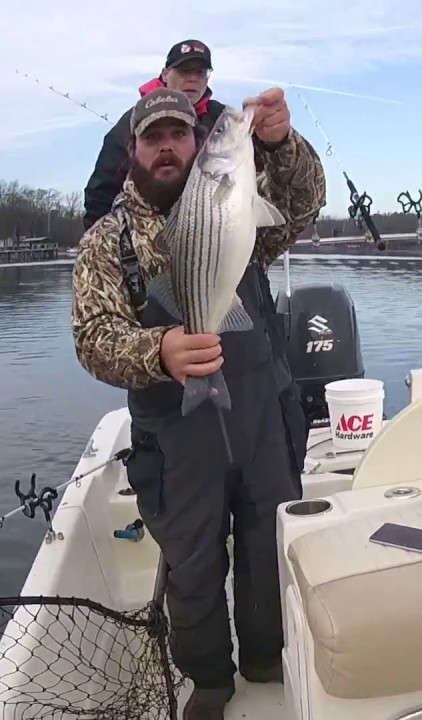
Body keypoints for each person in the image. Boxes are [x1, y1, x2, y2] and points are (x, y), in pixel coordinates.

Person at [71, 87, 324, 718]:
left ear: (195, 144)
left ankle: (267, 655)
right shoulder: (109, 240)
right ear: (132, 151)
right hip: (178, 434)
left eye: (179, 136)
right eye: (152, 138)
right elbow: (92, 336)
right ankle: (210, 678)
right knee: (192, 561)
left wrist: (279, 144)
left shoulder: (236, 208)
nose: (167, 147)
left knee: (269, 541)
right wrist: (159, 351)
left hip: (262, 415)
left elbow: (303, 205)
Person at [81, 39, 228, 228]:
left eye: (199, 72)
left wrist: (273, 142)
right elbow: (101, 194)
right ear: (165, 73)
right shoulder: (130, 124)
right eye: (184, 70)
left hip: (214, 229)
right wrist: (101, 241)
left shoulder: (224, 119)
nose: (192, 78)